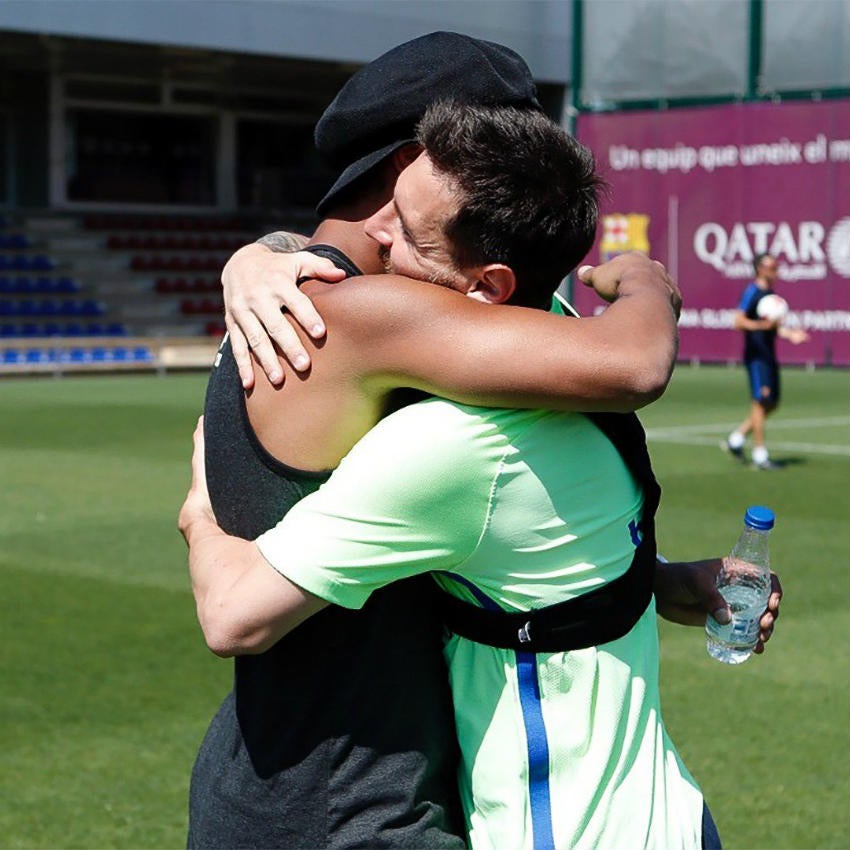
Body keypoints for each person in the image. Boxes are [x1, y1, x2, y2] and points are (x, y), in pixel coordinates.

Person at [181, 99, 782, 850]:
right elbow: (551, 552)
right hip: (675, 820)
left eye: (407, 230)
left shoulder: (446, 447)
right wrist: (669, 583)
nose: (376, 234)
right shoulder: (564, 350)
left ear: (488, 287)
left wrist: (200, 512)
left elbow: (233, 614)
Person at [723, 252, 809, 469]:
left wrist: (791, 334)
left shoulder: (770, 295)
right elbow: (738, 321)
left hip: (768, 355)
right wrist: (761, 326)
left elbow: (774, 327)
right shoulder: (753, 292)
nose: (776, 271)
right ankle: (760, 456)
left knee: (773, 403)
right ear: (760, 269)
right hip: (756, 356)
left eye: (777, 267)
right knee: (760, 403)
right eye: (772, 267)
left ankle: (736, 440)